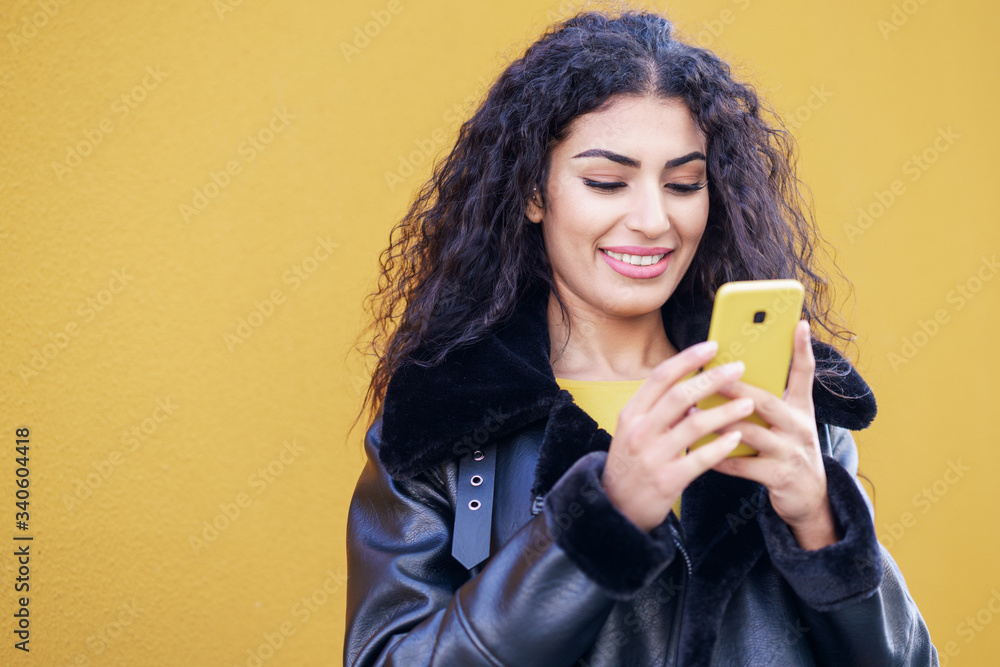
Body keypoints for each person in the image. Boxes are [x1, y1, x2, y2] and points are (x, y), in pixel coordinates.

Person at [344, 9, 937, 666]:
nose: (654, 220)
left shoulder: (786, 404)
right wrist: (603, 516)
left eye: (684, 183)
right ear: (534, 190)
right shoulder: (444, 420)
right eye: (606, 181)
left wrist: (822, 523)